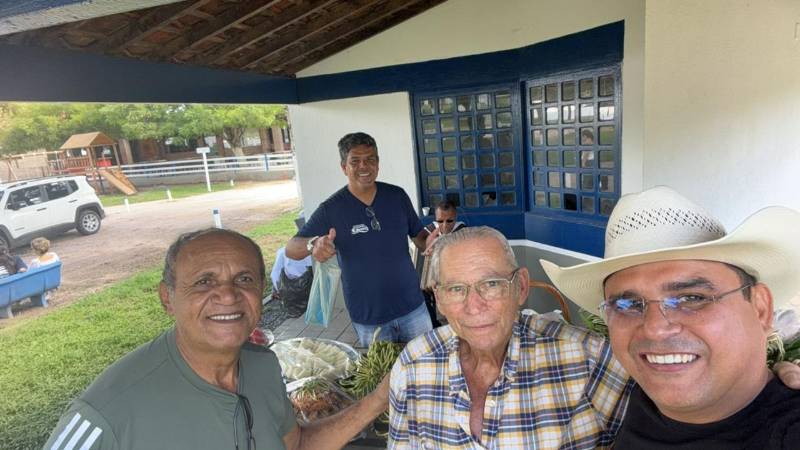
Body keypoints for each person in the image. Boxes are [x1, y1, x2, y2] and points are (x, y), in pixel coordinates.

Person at [389, 225, 800, 449]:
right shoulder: (415, 361)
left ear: (520, 287)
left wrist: (776, 375)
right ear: (438, 298)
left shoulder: (588, 358)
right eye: (455, 289)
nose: (472, 305)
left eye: (692, 297)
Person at [45, 228, 388, 450]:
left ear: (261, 291)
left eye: (243, 279)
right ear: (168, 298)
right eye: (204, 282)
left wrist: (380, 398)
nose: (228, 295)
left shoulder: (263, 366)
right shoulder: (108, 411)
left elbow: (295, 445)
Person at [542, 186, 800, 449]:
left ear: (760, 309)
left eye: (692, 298)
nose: (655, 328)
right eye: (628, 304)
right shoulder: (632, 396)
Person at [286, 132, 432, 346]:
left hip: (413, 307)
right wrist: (313, 244)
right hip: (370, 316)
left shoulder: (397, 196)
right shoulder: (331, 209)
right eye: (355, 161)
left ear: (378, 163)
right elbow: (291, 248)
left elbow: (418, 235)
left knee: (426, 365)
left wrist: (432, 243)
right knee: (382, 376)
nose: (364, 166)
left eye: (370, 159)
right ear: (344, 167)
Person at [420, 200, 467, 326]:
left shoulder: (463, 231)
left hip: (454, 279)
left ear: (455, 218)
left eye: (449, 221)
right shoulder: (431, 229)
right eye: (440, 221)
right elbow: (422, 244)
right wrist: (429, 243)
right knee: (423, 296)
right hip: (433, 280)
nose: (445, 225)